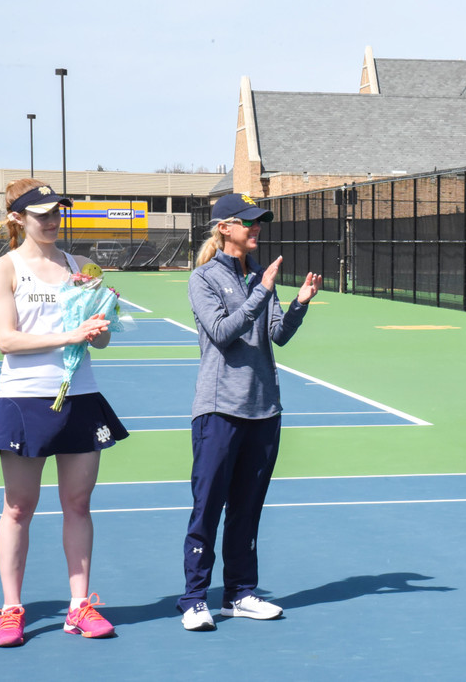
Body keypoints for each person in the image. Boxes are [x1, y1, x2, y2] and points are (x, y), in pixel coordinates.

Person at [0, 179, 129, 646]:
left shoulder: (81, 266)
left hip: (81, 397)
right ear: (17, 218)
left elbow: (99, 340)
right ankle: (9, 610)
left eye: (56, 212)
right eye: (41, 213)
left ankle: (80, 606)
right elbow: (7, 340)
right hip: (23, 398)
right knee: (19, 507)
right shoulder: (3, 268)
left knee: (78, 505)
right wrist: (70, 335)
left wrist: (102, 317)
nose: (51, 220)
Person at [178, 193, 322, 631]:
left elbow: (276, 335)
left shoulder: (260, 276)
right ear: (224, 228)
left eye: (258, 221)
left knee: (247, 508)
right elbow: (223, 332)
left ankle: (239, 594)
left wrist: (299, 303)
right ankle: (194, 598)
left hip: (264, 410)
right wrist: (262, 291)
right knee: (208, 507)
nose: (256, 227)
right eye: (248, 222)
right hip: (220, 409)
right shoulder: (203, 278)